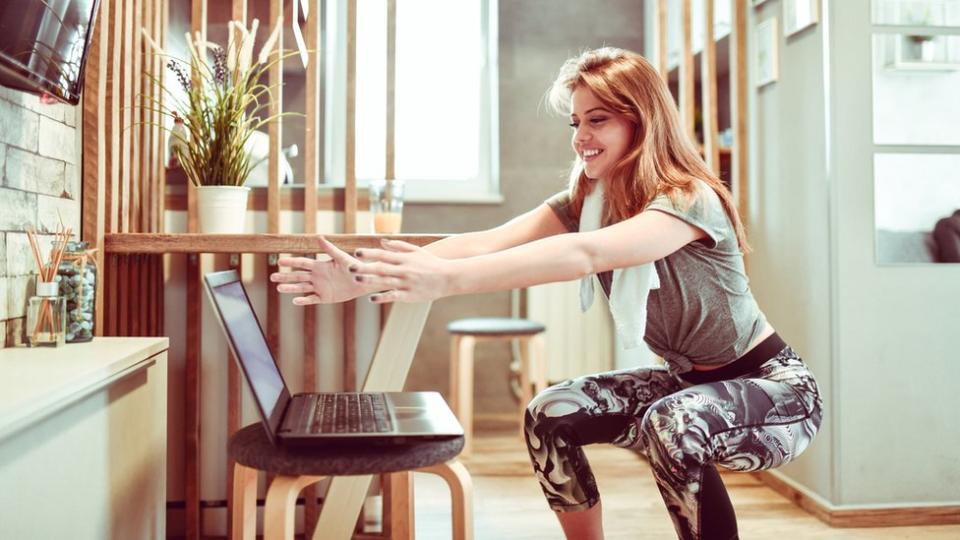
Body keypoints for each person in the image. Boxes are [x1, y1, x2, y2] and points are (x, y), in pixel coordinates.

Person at [270, 47, 823, 540]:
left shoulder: (689, 197)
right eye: (576, 122)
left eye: (598, 120)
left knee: (674, 423)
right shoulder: (589, 200)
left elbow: (586, 254)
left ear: (642, 121)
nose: (581, 136)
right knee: (550, 412)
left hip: (773, 389)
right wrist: (365, 276)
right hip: (686, 385)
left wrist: (444, 284)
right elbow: (485, 242)